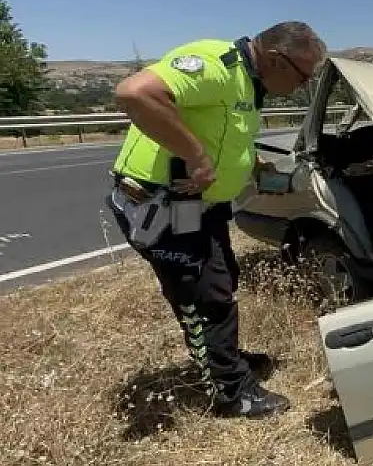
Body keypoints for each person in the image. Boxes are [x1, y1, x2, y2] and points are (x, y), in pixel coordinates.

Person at [106, 21, 327, 418]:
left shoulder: (248, 81)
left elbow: (222, 132)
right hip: (163, 205)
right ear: (276, 59)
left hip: (196, 207)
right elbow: (134, 93)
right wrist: (197, 157)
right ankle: (231, 392)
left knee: (217, 282)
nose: (302, 86)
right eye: (302, 76)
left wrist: (253, 166)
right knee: (207, 296)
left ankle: (222, 359)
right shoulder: (215, 65)